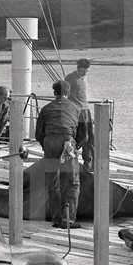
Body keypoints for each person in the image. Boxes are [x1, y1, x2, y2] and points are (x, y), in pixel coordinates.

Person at [35, 79, 86, 228]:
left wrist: (47, 146)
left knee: (53, 183)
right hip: (67, 142)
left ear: (54, 93)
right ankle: (68, 220)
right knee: (72, 183)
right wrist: (76, 147)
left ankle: (56, 219)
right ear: (68, 93)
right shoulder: (77, 108)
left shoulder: (46, 109)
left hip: (50, 142)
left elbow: (38, 133)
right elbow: (84, 135)